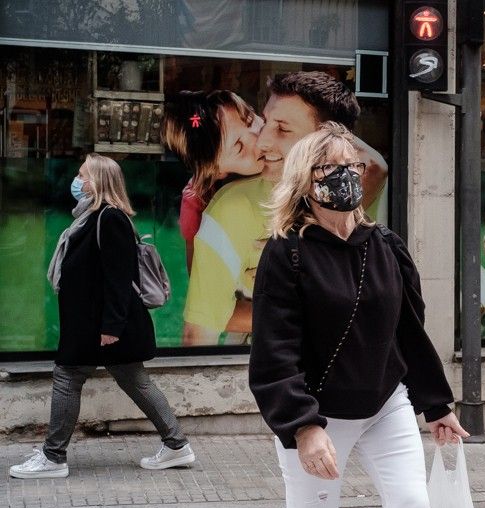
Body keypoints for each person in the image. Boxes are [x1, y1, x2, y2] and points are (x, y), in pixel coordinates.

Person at [219, 123, 472, 508]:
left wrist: (437, 405)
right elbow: (274, 354)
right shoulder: (286, 256)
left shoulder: (385, 247)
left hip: (386, 405)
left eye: (353, 165)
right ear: (306, 182)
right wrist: (305, 428)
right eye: (332, 168)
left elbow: (408, 332)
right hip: (319, 416)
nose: (346, 176)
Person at [9, 155, 194, 479]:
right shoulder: (88, 219)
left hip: (103, 326)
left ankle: (53, 458)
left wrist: (111, 327)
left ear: (98, 182)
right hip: (94, 324)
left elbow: (119, 278)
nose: (77, 182)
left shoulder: (110, 219)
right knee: (135, 381)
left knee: (67, 377)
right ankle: (177, 446)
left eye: (82, 175)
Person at [182, 71, 388, 344]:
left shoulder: (367, 190)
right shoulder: (230, 206)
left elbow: (375, 166)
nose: (262, 141)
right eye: (266, 122)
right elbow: (201, 329)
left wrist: (312, 246)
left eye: (283, 128)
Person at [161, 90, 264, 272]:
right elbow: (201, 278)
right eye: (239, 148)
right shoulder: (198, 203)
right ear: (216, 171)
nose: (258, 139)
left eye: (250, 120)